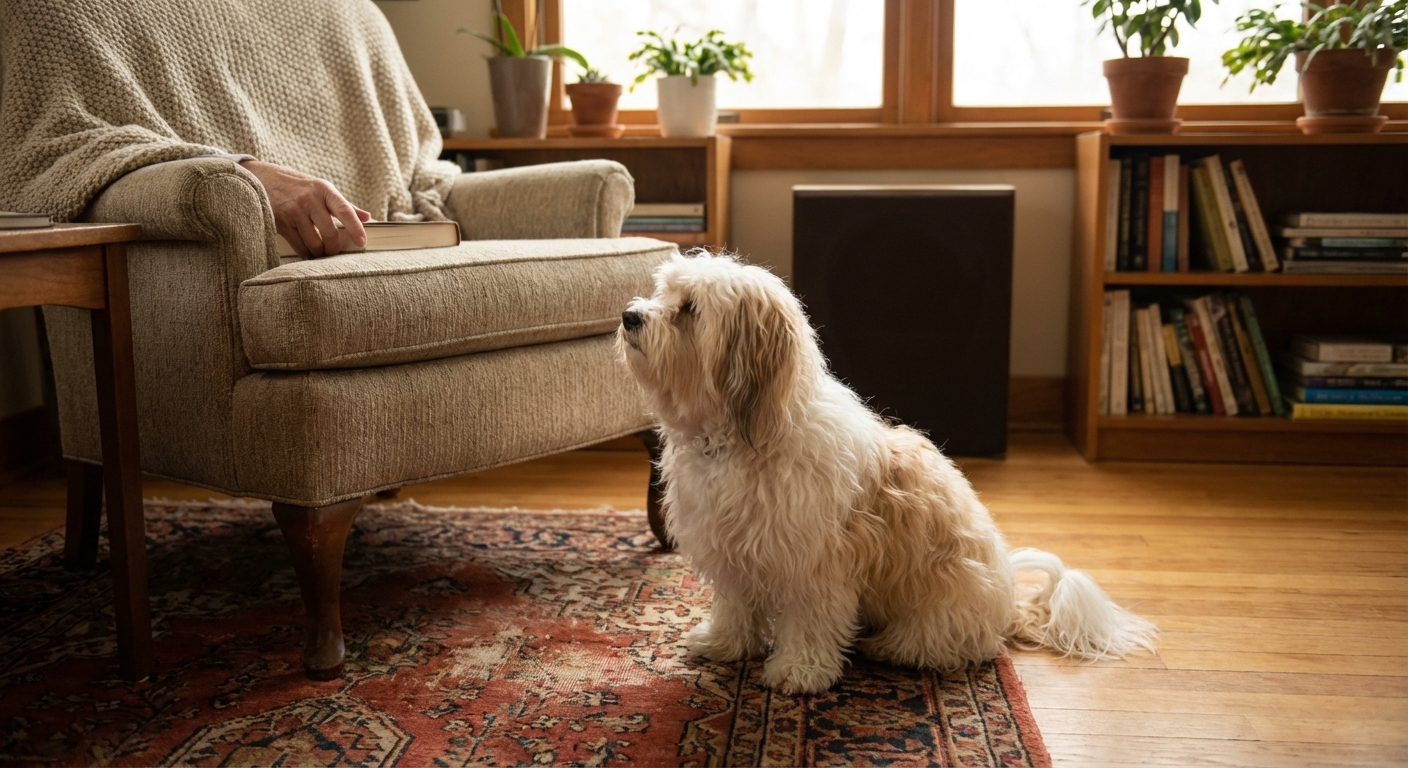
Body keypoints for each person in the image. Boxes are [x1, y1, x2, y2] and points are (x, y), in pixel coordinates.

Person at [0, 0, 459, 260]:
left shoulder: (354, 13)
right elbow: (53, 152)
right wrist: (246, 173)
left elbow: (421, 168)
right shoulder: (50, 14)